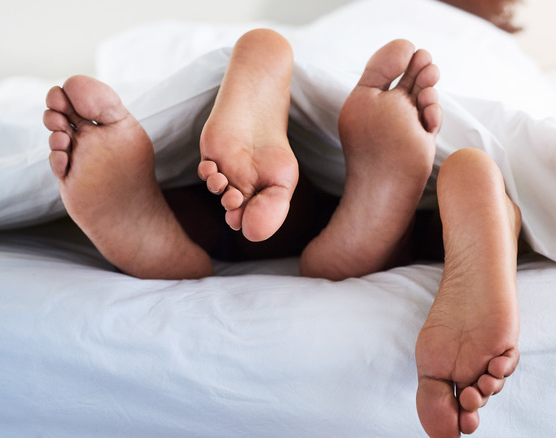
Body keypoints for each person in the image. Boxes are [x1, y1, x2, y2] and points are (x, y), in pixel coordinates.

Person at [43, 29, 521, 437]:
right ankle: (450, 213)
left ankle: (160, 227)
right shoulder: (492, 45)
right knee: (277, 202)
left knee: (236, 201)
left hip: (285, 205)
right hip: (361, 200)